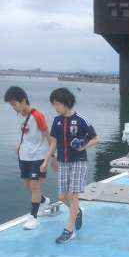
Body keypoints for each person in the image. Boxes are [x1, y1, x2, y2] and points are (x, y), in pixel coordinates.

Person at [41, 88, 99, 244]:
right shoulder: (56, 121)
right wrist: (47, 160)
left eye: (57, 104)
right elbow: (54, 142)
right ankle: (77, 212)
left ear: (66, 103)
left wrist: (83, 146)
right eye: (54, 104)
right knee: (62, 197)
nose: (55, 107)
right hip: (63, 162)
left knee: (73, 195)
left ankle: (69, 230)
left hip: (79, 161)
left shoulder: (81, 120)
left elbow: (95, 138)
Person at [4, 86, 51, 230]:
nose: (14, 108)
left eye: (14, 104)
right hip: (24, 155)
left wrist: (53, 157)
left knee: (35, 186)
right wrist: (20, 144)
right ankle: (44, 201)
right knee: (28, 186)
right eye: (11, 105)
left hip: (38, 155)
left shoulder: (38, 115)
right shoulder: (20, 115)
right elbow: (26, 134)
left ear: (24, 100)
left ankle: (33, 217)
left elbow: (48, 136)